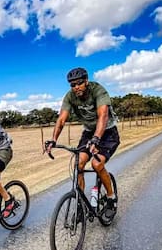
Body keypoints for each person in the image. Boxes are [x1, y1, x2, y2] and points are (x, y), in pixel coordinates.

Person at [45, 67, 120, 217]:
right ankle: (80, 203)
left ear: (86, 81)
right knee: (78, 164)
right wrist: (53, 139)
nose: (76, 87)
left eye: (79, 83)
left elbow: (103, 116)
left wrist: (97, 139)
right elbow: (61, 119)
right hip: (88, 132)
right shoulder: (70, 97)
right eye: (72, 85)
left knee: (96, 164)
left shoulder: (98, 90)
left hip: (107, 132)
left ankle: (111, 198)